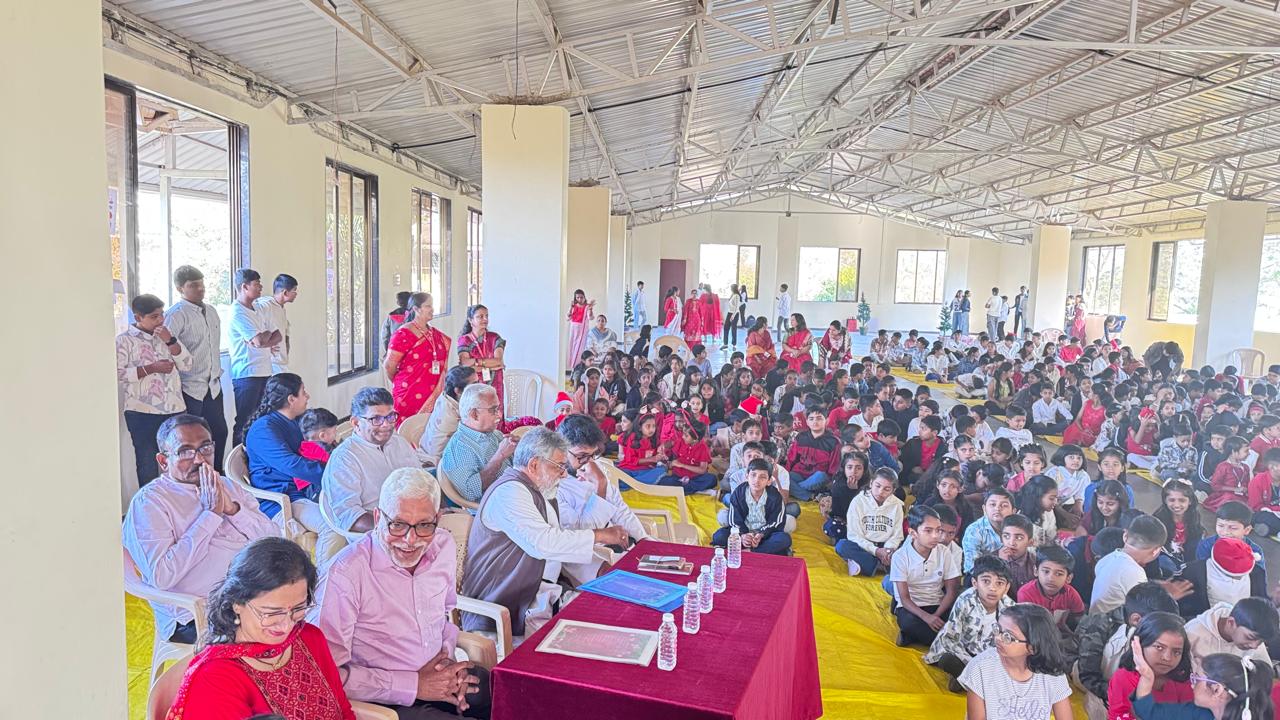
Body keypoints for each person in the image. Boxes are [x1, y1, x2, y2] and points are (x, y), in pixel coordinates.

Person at [313, 468, 489, 719]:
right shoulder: (345, 574)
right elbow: (325, 673)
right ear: (377, 518)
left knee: (507, 694)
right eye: (397, 524)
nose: (410, 539)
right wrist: (415, 685)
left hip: (438, 672)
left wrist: (447, 665)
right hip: (384, 700)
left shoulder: (442, 545)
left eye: (424, 525)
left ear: (437, 518)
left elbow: (444, 615)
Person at [123, 414, 279, 645]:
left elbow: (274, 542)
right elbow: (161, 576)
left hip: (252, 595)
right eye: (185, 451)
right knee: (274, 635)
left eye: (205, 448)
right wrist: (210, 516)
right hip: (198, 613)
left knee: (306, 618)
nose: (198, 459)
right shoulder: (150, 503)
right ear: (163, 461)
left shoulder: (226, 485)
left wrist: (233, 510)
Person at [162, 537, 356, 720]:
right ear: (237, 603)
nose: (287, 625)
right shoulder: (216, 679)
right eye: (272, 612)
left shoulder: (309, 637)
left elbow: (343, 711)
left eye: (298, 609)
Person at [461, 429, 629, 639]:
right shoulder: (509, 492)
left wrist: (599, 570)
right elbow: (544, 544)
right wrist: (600, 535)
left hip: (539, 596)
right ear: (533, 465)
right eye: (558, 466)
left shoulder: (533, 491)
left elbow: (558, 546)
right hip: (502, 608)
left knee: (616, 614)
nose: (564, 474)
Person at [243, 373, 339, 558]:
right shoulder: (264, 429)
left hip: (299, 491)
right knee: (333, 527)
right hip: (280, 499)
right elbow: (292, 464)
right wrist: (333, 474)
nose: (307, 396)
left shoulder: (290, 422)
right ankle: (323, 574)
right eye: (303, 392)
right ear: (291, 399)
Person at [556, 415, 647, 582]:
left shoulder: (592, 466)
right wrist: (601, 485)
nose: (588, 462)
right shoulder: (554, 484)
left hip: (613, 540)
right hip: (579, 552)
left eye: (593, 455)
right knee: (614, 578)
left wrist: (643, 539)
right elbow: (582, 532)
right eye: (581, 456)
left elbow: (620, 509)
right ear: (561, 449)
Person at [324, 388, 421, 538]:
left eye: (390, 417)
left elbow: (422, 482)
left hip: (416, 522)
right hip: (376, 535)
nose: (386, 425)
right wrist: (397, 528)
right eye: (376, 419)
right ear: (356, 423)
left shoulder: (399, 443)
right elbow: (350, 517)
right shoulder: (344, 458)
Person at [118, 293, 193, 486]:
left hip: (174, 409)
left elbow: (187, 364)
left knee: (180, 458)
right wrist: (151, 368)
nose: (160, 320)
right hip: (142, 412)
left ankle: (180, 499)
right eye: (154, 317)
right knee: (147, 462)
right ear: (138, 317)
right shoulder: (124, 341)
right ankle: (150, 502)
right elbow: (118, 374)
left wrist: (170, 341)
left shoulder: (166, 336)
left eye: (161, 314)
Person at [1075, 582, 1179, 717]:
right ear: (1136, 620)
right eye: (1160, 627)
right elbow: (1088, 677)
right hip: (1095, 682)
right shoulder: (1099, 625)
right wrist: (1123, 696)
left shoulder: (1152, 628)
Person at [958, 604, 1074, 720]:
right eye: (997, 629)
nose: (998, 638)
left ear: (1033, 647)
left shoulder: (1051, 672)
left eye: (1008, 636)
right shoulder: (980, 668)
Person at [1128, 646, 1274, 720]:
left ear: (1217, 690)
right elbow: (1150, 713)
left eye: (1196, 679)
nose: (1192, 684)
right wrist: (1147, 677)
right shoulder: (1200, 713)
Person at [890, 505, 961, 647]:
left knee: (958, 619)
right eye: (928, 531)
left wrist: (935, 616)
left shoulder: (944, 552)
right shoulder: (900, 556)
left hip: (937, 605)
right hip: (912, 608)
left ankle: (913, 637)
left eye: (938, 530)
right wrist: (927, 618)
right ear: (913, 533)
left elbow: (951, 591)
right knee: (909, 622)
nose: (936, 536)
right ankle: (943, 643)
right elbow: (904, 599)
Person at [439, 384, 517, 504]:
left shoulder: (494, 434)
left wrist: (520, 448)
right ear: (474, 414)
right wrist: (500, 456)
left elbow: (516, 464)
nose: (499, 415)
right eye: (493, 410)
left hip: (514, 494)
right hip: (495, 507)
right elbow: (471, 492)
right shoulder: (459, 448)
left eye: (498, 408)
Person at [229, 268, 281, 446]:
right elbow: (259, 340)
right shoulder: (238, 312)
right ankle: (238, 457)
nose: (260, 288)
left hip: (264, 370)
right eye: (257, 284)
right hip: (247, 373)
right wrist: (263, 338)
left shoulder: (258, 308)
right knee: (245, 420)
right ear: (244, 287)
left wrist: (263, 338)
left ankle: (256, 454)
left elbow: (277, 335)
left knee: (261, 418)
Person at [1108, 612, 1194, 719]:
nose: (1167, 658)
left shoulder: (1181, 678)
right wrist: (1147, 678)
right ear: (1139, 644)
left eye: (1176, 652)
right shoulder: (1124, 678)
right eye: (1159, 647)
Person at [1091, 515, 1180, 614]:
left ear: (1125, 536)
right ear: (1156, 551)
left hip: (1095, 621)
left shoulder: (1107, 559)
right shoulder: (1134, 571)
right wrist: (1169, 598)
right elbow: (1144, 610)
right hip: (1113, 623)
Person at [386, 292, 452, 423]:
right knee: (408, 429)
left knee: (430, 430)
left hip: (434, 393)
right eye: (428, 306)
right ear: (416, 309)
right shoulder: (404, 333)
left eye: (432, 306)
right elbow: (389, 366)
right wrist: (405, 382)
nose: (432, 309)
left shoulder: (435, 334)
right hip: (408, 394)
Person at [712, 458, 792, 556]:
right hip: (743, 534)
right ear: (747, 476)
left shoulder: (775, 496)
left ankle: (750, 552)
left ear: (769, 481)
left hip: (765, 535)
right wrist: (743, 535)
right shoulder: (739, 493)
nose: (756, 480)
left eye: (762, 477)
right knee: (719, 536)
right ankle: (763, 551)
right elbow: (734, 519)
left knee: (784, 539)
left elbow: (776, 521)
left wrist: (761, 534)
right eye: (753, 475)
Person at [837, 468, 905, 576]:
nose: (880, 492)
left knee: (907, 551)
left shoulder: (897, 505)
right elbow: (854, 535)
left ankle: (867, 565)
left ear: (893, 490)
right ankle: (879, 566)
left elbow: (897, 535)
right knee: (842, 546)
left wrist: (888, 551)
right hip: (864, 546)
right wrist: (876, 551)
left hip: (885, 546)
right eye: (877, 486)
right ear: (871, 483)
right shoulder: (858, 501)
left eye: (887, 489)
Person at [1177, 538, 1266, 619]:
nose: (1238, 578)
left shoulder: (1257, 573)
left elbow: (1260, 603)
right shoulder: (1192, 573)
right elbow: (1182, 610)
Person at [1183, 598, 1278, 674]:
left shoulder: (1254, 632)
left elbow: (1265, 672)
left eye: (1261, 641)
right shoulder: (1192, 634)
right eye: (1249, 637)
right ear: (1231, 622)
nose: (1254, 646)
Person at [417, 366, 476, 467]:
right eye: (474, 385)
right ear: (458, 391)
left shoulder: (445, 396)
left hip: (430, 451)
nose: (479, 388)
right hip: (437, 463)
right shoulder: (451, 414)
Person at [456, 304, 507, 412]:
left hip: (495, 385)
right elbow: (465, 364)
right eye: (480, 317)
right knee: (477, 414)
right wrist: (491, 366)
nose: (485, 319)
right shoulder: (464, 340)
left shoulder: (495, 338)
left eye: (486, 316)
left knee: (495, 414)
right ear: (471, 320)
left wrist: (475, 363)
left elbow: (498, 361)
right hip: (475, 386)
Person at [254, 273, 296, 373]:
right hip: (271, 364)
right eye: (294, 290)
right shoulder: (264, 305)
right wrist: (266, 347)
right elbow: (253, 331)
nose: (296, 294)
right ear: (285, 292)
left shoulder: (281, 308)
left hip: (281, 363)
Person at [565, 289, 594, 367]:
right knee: (572, 347)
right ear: (575, 298)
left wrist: (590, 309)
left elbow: (590, 317)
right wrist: (570, 307)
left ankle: (577, 366)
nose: (580, 299)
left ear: (584, 297)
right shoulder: (573, 306)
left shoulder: (587, 307)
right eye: (577, 297)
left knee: (579, 349)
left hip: (582, 331)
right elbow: (568, 317)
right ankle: (572, 367)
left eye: (581, 297)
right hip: (573, 329)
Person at [382, 291, 413, 357]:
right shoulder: (414, 315)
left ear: (398, 302)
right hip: (410, 351)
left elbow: (385, 336)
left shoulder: (391, 316)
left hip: (394, 349)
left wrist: (387, 349)